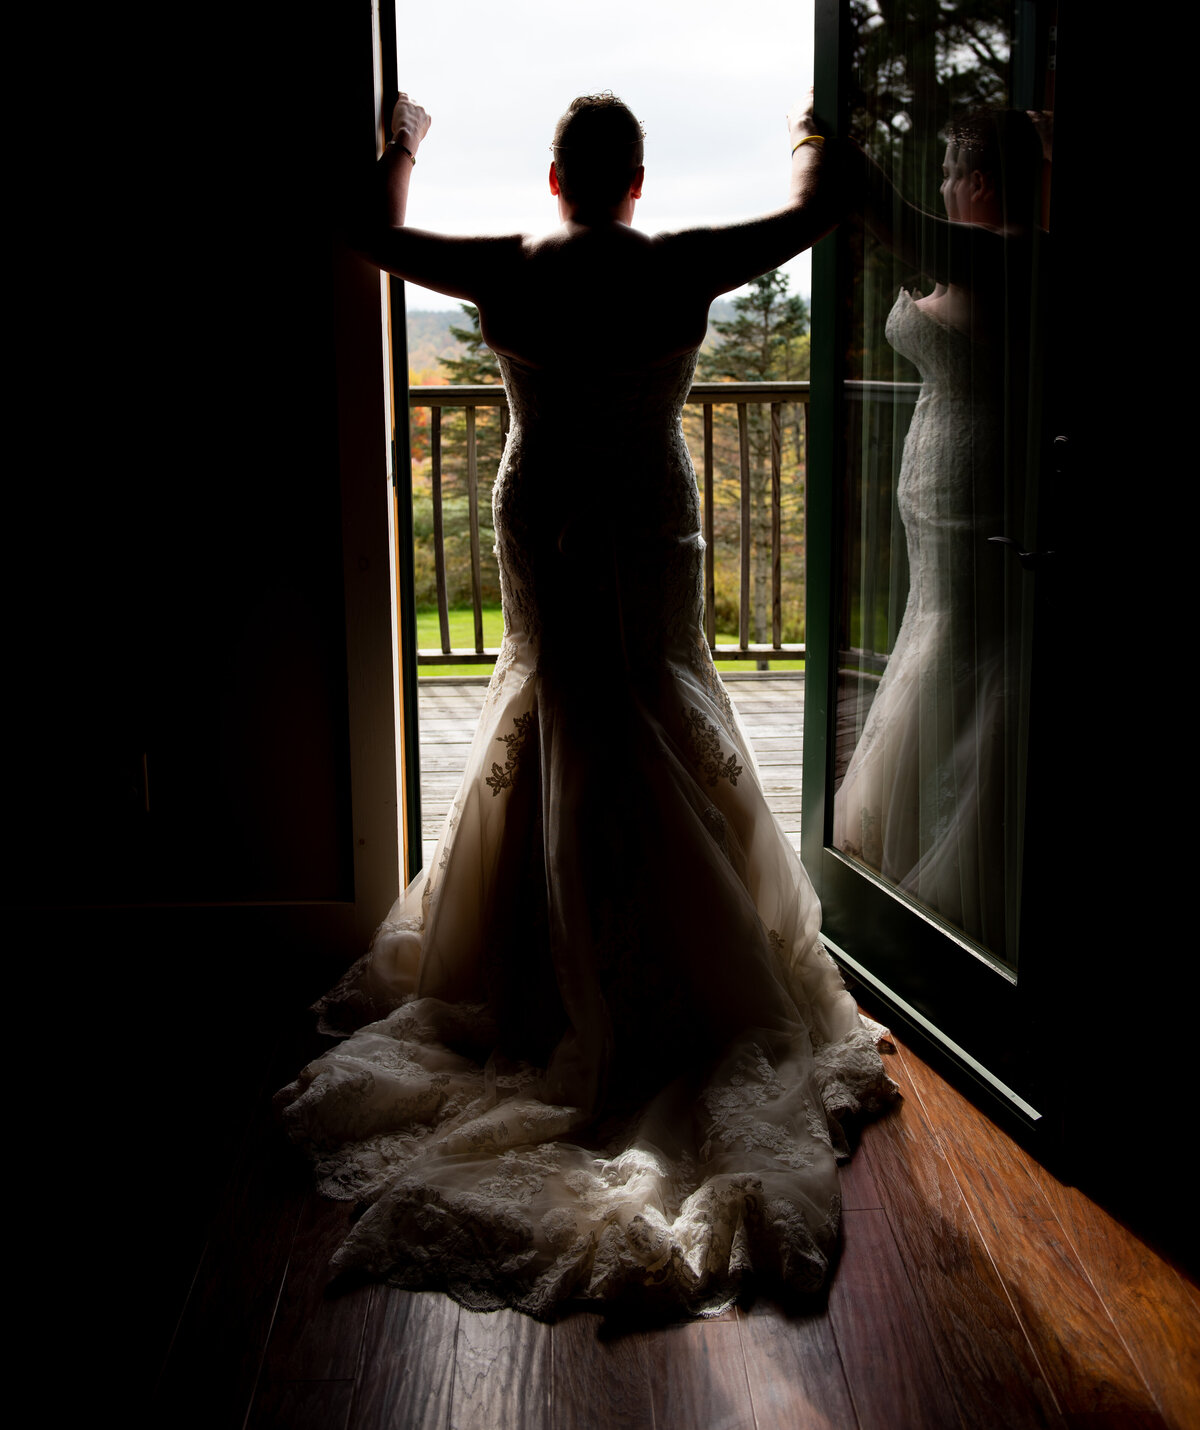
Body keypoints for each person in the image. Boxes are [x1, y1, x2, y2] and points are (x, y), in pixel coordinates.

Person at [277, 91, 893, 1319]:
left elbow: (367, 231)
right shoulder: (682, 262)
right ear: (639, 180)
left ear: (558, 181)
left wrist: (400, 143)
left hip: (547, 512)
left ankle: (543, 975)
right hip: (648, 518)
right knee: (656, 706)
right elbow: (823, 210)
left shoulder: (507, 264)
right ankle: (673, 972)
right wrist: (813, 131)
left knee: (559, 712)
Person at [833, 110, 1047, 963]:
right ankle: (903, 850)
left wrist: (840, 159)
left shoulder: (1017, 252)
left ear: (981, 182)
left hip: (981, 497)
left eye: (953, 174)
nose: (946, 189)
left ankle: (960, 882)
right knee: (937, 641)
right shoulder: (986, 255)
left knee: (972, 654)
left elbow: (902, 226)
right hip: (939, 495)